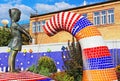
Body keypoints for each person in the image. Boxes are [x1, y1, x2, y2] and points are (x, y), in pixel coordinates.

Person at [8, 8, 32, 72]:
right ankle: (12, 69)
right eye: (18, 15)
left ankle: (10, 68)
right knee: (13, 55)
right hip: (16, 41)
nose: (19, 17)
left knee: (11, 54)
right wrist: (29, 36)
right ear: (14, 15)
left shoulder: (12, 24)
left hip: (13, 40)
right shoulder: (15, 24)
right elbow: (23, 30)